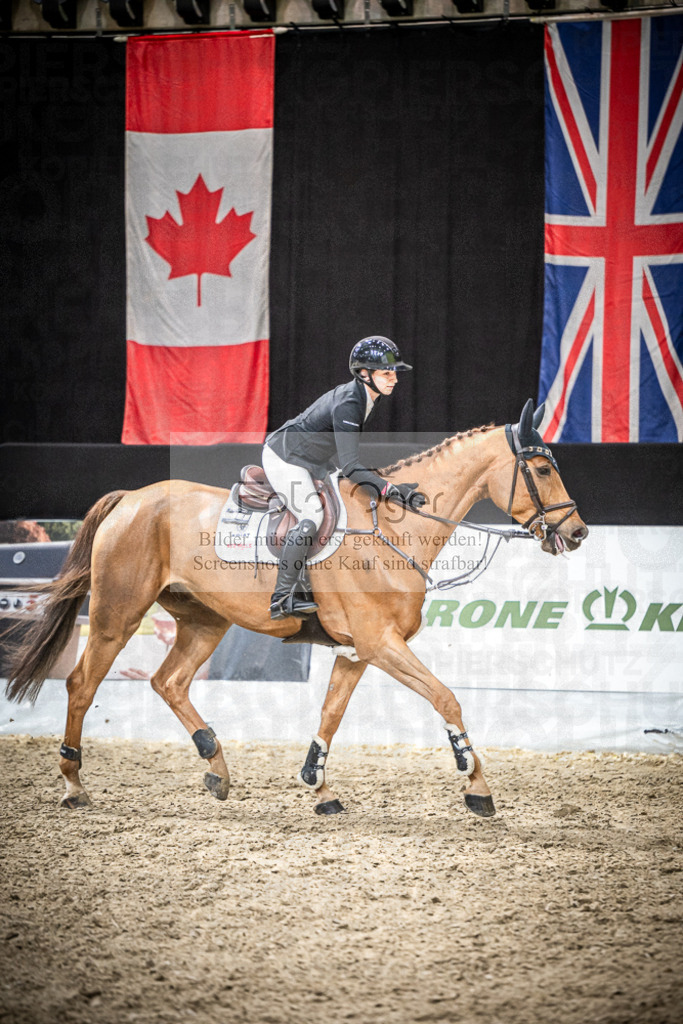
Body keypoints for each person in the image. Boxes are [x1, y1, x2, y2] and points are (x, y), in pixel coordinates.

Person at [262, 336, 427, 620]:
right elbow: (351, 466)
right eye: (387, 373)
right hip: (285, 458)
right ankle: (282, 597)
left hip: (312, 460)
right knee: (312, 515)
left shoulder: (366, 396)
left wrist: (385, 487)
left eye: (395, 373)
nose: (395, 380)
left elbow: (343, 460)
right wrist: (392, 490)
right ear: (364, 374)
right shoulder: (351, 403)